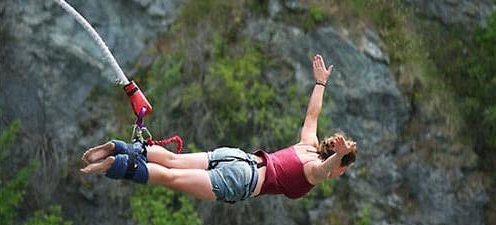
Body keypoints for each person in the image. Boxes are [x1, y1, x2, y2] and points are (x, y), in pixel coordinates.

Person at [81, 54, 357, 203]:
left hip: (238, 157)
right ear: (339, 166)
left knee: (174, 161)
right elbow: (323, 170)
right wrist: (338, 155)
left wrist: (320, 83)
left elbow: (312, 114)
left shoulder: (307, 145)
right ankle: (114, 165)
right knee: (170, 178)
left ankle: (120, 148)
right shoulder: (315, 171)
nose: (337, 174)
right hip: (241, 180)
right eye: (342, 170)